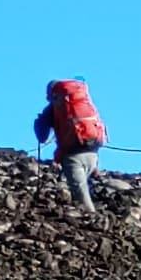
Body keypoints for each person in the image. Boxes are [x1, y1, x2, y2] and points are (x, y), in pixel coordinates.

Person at [34, 76, 106, 211]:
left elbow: (42, 137)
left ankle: (93, 223)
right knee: (86, 189)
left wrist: (39, 123)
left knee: (82, 198)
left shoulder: (54, 108)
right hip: (93, 152)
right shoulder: (82, 101)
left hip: (73, 157)